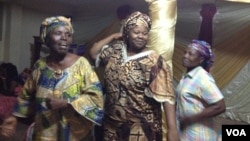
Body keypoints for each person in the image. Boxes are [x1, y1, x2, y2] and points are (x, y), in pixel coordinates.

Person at [3, 16, 104, 141]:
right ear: (47, 38)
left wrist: (67, 103)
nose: (64, 38)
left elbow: (96, 98)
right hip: (44, 133)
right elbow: (26, 95)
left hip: (76, 135)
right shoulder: (39, 66)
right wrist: (14, 117)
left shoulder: (82, 65)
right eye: (58, 33)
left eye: (68, 34)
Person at [90, 11, 179, 141]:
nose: (141, 36)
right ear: (127, 33)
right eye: (136, 32)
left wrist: (172, 129)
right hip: (111, 126)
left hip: (141, 129)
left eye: (144, 33)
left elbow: (168, 98)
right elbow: (93, 53)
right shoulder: (116, 51)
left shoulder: (154, 61)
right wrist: (113, 36)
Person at [175, 39, 226, 141]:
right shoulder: (187, 76)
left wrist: (191, 119)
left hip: (200, 135)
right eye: (185, 52)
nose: (185, 56)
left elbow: (220, 106)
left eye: (190, 54)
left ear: (201, 59)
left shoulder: (202, 77)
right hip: (186, 133)